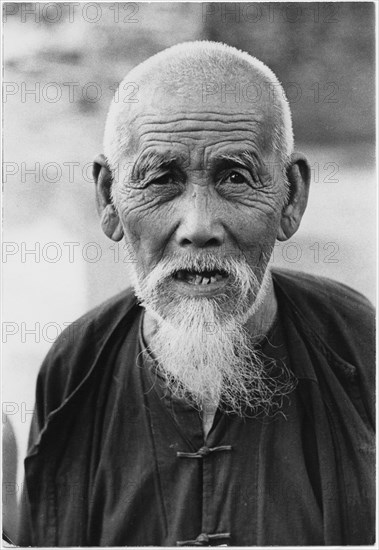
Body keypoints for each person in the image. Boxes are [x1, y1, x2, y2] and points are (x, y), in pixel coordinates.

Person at [17, 41, 374, 546]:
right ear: (109, 200)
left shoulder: (361, 350)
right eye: (162, 178)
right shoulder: (74, 369)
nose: (199, 227)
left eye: (235, 176)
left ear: (291, 196)